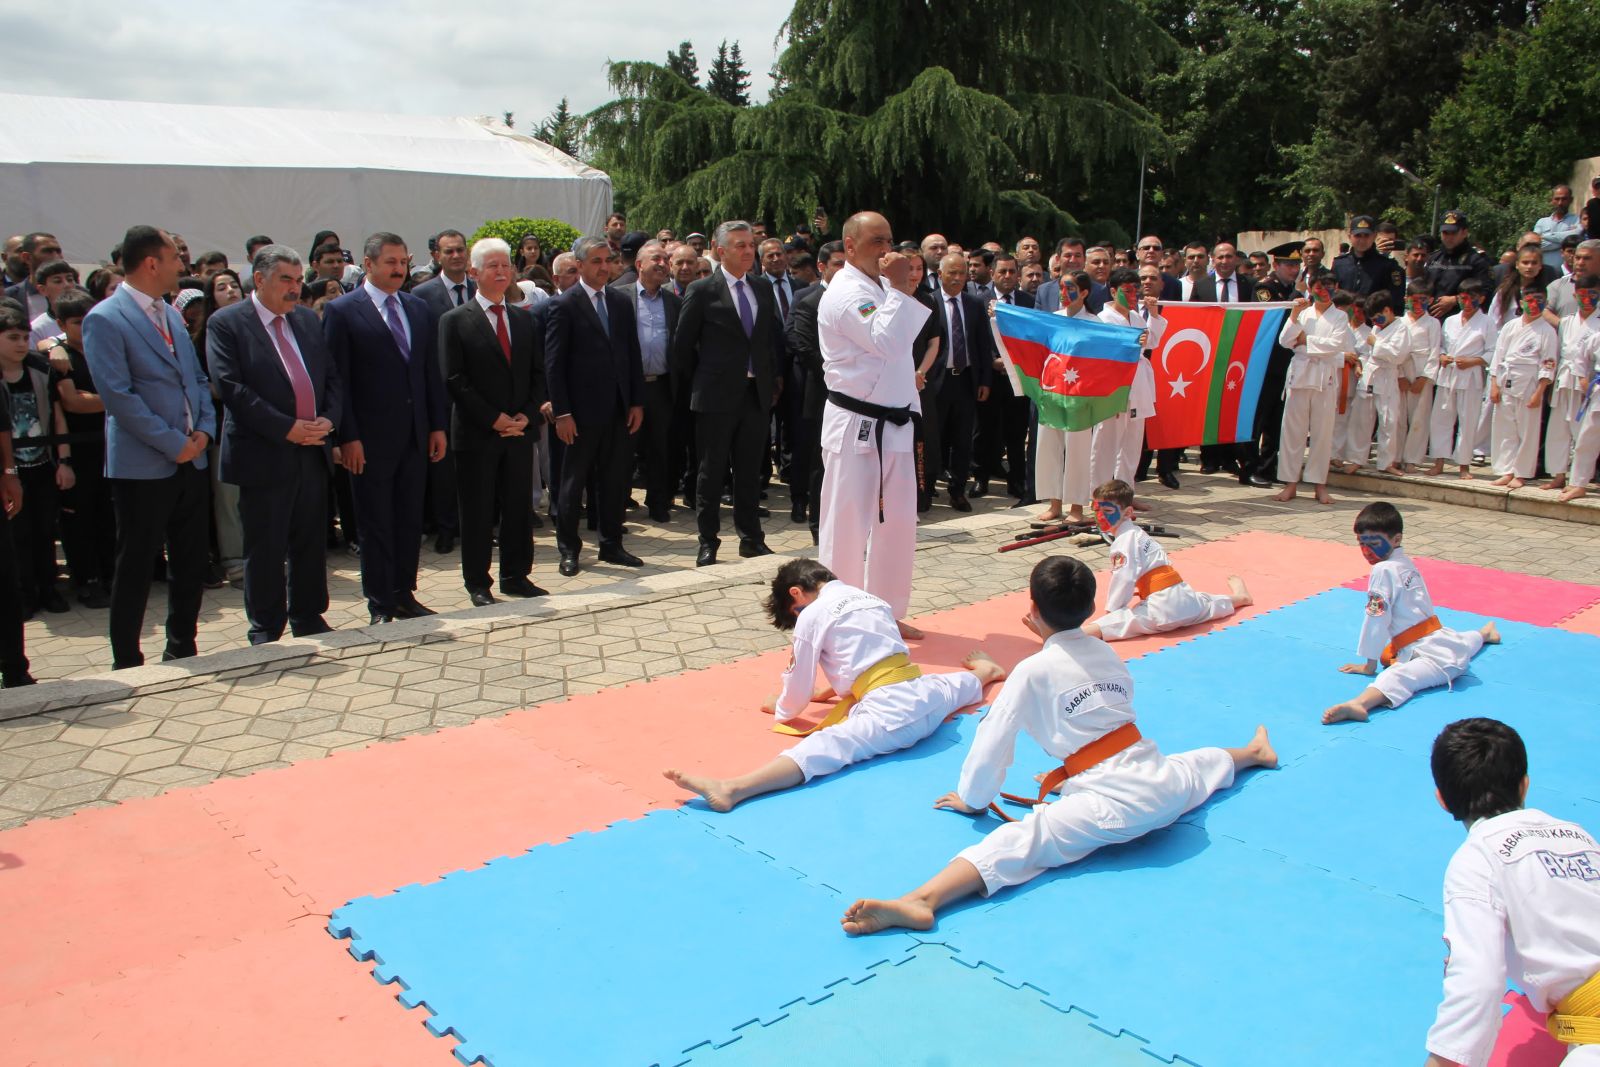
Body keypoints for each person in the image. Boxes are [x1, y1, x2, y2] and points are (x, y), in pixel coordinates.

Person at [839, 555, 1278, 935]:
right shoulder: (1107, 653)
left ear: (1032, 608)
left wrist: (974, 799)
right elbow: (1103, 721)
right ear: (1090, 607)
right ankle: (1254, 753)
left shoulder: (1032, 671)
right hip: (1160, 783)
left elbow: (992, 741)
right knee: (1196, 764)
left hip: (1113, 808)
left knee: (1027, 839)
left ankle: (923, 900)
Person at [663, 558, 1001, 812]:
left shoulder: (813, 614)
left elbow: (798, 684)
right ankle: (986, 671)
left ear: (796, 593)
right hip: (922, 697)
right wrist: (825, 693)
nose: (799, 616)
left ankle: (733, 789)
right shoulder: (870, 599)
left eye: (794, 610)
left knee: (826, 747)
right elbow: (870, 662)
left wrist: (782, 707)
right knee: (952, 686)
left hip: (890, 717)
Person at [1421, 717, 1600, 1067]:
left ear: (1442, 799)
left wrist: (1443, 1062)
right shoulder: (1579, 836)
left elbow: (1478, 983)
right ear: (1524, 785)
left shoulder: (1475, 860)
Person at [81, 226, 216, 669]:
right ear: (152, 263)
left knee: (190, 559)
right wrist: (173, 442)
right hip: (143, 466)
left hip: (191, 458)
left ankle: (182, 645)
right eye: (175, 258)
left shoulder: (171, 316)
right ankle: (127, 658)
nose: (182, 265)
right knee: (136, 563)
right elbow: (118, 397)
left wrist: (204, 432)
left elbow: (197, 379)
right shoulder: (106, 318)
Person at [207, 244, 341, 643]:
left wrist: (329, 418)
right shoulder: (228, 323)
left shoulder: (306, 320)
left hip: (312, 448)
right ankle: (266, 626)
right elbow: (231, 387)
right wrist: (286, 428)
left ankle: (308, 616)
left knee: (310, 539)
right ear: (259, 279)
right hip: (264, 452)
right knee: (265, 544)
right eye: (286, 279)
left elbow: (331, 376)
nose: (295, 288)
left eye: (298, 280)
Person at [323, 232, 448, 624]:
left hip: (414, 435)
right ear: (369, 263)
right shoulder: (343, 311)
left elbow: (429, 372)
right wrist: (347, 436)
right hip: (369, 440)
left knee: (409, 519)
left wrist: (436, 426)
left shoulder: (416, 307)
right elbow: (337, 380)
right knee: (375, 522)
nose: (398, 270)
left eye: (402, 262)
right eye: (390, 262)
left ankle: (403, 593)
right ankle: (380, 602)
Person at [816, 211, 931, 639]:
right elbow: (888, 342)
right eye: (876, 241)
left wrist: (897, 288)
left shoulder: (880, 286)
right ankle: (838, 616)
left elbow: (902, 347)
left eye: (889, 240)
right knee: (846, 525)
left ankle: (886, 611)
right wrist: (899, 288)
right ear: (849, 246)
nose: (887, 250)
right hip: (857, 424)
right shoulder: (846, 292)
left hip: (896, 422)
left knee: (897, 524)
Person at [439, 237, 547, 605]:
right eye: (493, 266)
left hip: (519, 431)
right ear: (474, 272)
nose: (501, 272)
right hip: (478, 433)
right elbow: (454, 379)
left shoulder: (523, 318)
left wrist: (526, 415)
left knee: (518, 507)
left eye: (506, 265)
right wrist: (493, 419)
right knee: (478, 510)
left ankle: (516, 575)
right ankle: (478, 582)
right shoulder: (455, 321)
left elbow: (538, 374)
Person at [1322, 503, 1499, 725]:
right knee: (1461, 643)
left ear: (1396, 539)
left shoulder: (1383, 569)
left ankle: (1360, 704)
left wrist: (1370, 665)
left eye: (1374, 543)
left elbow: (1377, 617)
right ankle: (1484, 633)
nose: (1366, 550)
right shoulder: (1404, 562)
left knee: (1397, 675)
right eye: (1361, 543)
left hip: (1433, 658)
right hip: (1443, 642)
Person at [671, 222, 783, 566]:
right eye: (740, 245)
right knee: (711, 471)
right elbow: (682, 347)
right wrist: (705, 381)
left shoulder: (761, 287)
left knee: (749, 471)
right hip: (715, 396)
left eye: (750, 245)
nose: (748, 251)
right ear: (721, 251)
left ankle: (751, 538)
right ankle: (708, 541)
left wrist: (771, 379)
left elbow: (769, 338)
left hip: (754, 394)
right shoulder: (703, 290)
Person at [545, 235, 646, 576]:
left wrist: (635, 401)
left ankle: (611, 544)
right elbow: (554, 364)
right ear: (580, 265)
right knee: (573, 484)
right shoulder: (564, 305)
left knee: (614, 480)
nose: (604, 267)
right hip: (579, 414)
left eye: (608, 260)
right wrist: (562, 412)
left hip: (618, 410)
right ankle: (569, 549)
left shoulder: (619, 302)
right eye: (596, 261)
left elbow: (631, 353)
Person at [1081, 479, 1248, 640]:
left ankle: (1070, 637)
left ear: (1128, 513)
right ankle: (1241, 597)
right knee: (1207, 602)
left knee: (1106, 626)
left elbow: (1124, 578)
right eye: (1096, 510)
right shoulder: (1137, 533)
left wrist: (1112, 613)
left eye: (1108, 511)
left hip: (1162, 610)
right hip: (1186, 600)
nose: (1100, 516)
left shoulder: (1124, 541)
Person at [45, 289, 116, 607]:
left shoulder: (105, 349)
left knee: (108, 515)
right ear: (61, 324)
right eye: (76, 321)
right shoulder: (60, 358)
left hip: (110, 445)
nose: (84, 326)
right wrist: (118, 400)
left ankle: (110, 575)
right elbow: (73, 402)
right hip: (76, 450)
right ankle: (87, 580)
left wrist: (106, 400)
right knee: (79, 519)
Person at [612, 239, 681, 523]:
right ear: (639, 264)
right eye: (656, 259)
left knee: (659, 448)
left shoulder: (673, 301)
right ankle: (616, 508)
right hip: (627, 388)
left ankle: (658, 502)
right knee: (622, 450)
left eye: (665, 259)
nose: (663, 264)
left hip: (661, 386)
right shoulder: (618, 297)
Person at [1273, 272, 1355, 504]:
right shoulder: (1302, 313)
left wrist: (1305, 341)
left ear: (1336, 287)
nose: (1324, 292)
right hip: (1300, 375)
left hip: (1324, 377)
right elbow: (1285, 341)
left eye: (1329, 287)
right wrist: (1294, 316)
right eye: (1319, 287)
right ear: (1311, 288)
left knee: (1322, 432)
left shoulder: (1340, 316)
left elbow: (1335, 346)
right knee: (1292, 431)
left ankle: (1320, 484)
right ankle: (1290, 483)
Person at [786, 240, 846, 542]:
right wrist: (843, 375)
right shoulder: (808, 301)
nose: (844, 270)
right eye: (838, 264)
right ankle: (816, 524)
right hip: (821, 392)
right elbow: (804, 346)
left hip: (856, 398)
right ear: (822, 267)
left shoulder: (861, 299)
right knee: (818, 461)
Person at [926, 252, 992, 512]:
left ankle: (958, 491)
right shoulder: (929, 302)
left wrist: (985, 379)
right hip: (936, 382)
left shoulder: (974, 304)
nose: (957, 278)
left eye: (961, 273)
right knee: (933, 438)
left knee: (963, 440)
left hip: (965, 380)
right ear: (940, 274)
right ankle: (927, 488)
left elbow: (982, 344)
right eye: (951, 273)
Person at [1032, 271, 1095, 526]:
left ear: (1084, 293)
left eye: (1070, 288)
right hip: (1052, 391)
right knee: (1048, 446)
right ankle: (1054, 503)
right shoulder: (1052, 319)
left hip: (1080, 394)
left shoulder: (1095, 323)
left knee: (1078, 450)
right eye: (1061, 287)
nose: (1063, 293)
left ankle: (1077, 506)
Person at [1091, 267, 1161, 487]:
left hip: (1138, 385)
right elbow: (1102, 355)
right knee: (1106, 443)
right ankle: (1098, 492)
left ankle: (1125, 491)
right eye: (1127, 291)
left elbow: (1152, 342)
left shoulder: (1137, 317)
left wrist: (1154, 315)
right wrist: (1131, 344)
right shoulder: (1102, 319)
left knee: (1132, 443)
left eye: (1135, 291)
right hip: (1115, 387)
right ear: (1113, 292)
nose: (1133, 296)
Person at [1488, 285, 1557, 489]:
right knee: (1505, 429)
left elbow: (1548, 363)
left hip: (1530, 383)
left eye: (1539, 301)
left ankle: (1521, 473)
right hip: (1506, 380)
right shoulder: (1510, 326)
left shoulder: (1547, 331)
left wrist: (1539, 392)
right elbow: (1498, 356)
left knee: (1527, 431)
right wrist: (1494, 384)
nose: (1534, 305)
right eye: (1530, 301)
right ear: (1521, 302)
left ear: (1545, 303)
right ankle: (1506, 470)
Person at [1427, 279, 1493, 479]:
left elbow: (1493, 351)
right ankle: (1439, 462)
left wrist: (1473, 361)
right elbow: (1440, 345)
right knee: (1441, 420)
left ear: (1481, 299)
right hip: (1448, 374)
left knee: (1468, 420)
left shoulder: (1487, 322)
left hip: (1470, 376)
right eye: (1463, 298)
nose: (1467, 303)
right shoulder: (1450, 321)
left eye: (1472, 299)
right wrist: (1442, 356)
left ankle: (1464, 465)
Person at [1542, 274, 1599, 492]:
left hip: (1587, 383)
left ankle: (1579, 479)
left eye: (1592, 295)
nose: (1587, 299)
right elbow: (1558, 353)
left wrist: (1586, 382)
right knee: (1558, 429)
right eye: (1582, 295)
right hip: (1563, 379)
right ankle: (1558, 476)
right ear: (1575, 296)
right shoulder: (1566, 322)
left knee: (1582, 432)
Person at [1400, 284, 1444, 471]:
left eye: (1423, 300)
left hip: (1422, 369)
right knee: (1398, 416)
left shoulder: (1433, 323)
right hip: (1401, 368)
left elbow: (1434, 353)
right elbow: (1394, 351)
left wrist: (1424, 378)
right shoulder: (1399, 322)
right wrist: (1400, 375)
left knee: (1419, 417)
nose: (1418, 305)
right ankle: (1395, 456)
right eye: (1414, 300)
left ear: (1430, 301)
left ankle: (1412, 458)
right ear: (1406, 299)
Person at [1534, 184, 1583, 272]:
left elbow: (1577, 237)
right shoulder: (1541, 222)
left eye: (1564, 199)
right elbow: (1536, 244)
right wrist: (1566, 241)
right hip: (1544, 273)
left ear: (1571, 200)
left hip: (1569, 273)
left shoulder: (1577, 220)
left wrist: (1545, 236)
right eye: (1557, 199)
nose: (1560, 203)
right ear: (1552, 200)